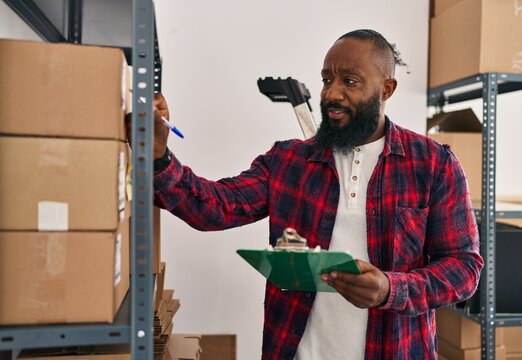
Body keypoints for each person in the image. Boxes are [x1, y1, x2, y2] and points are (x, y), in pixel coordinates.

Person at [150, 29, 483, 360]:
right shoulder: (288, 161)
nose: (332, 94)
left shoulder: (433, 164)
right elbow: (216, 207)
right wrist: (160, 158)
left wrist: (390, 289)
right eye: (327, 80)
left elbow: (464, 268)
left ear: (386, 89)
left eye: (350, 82)